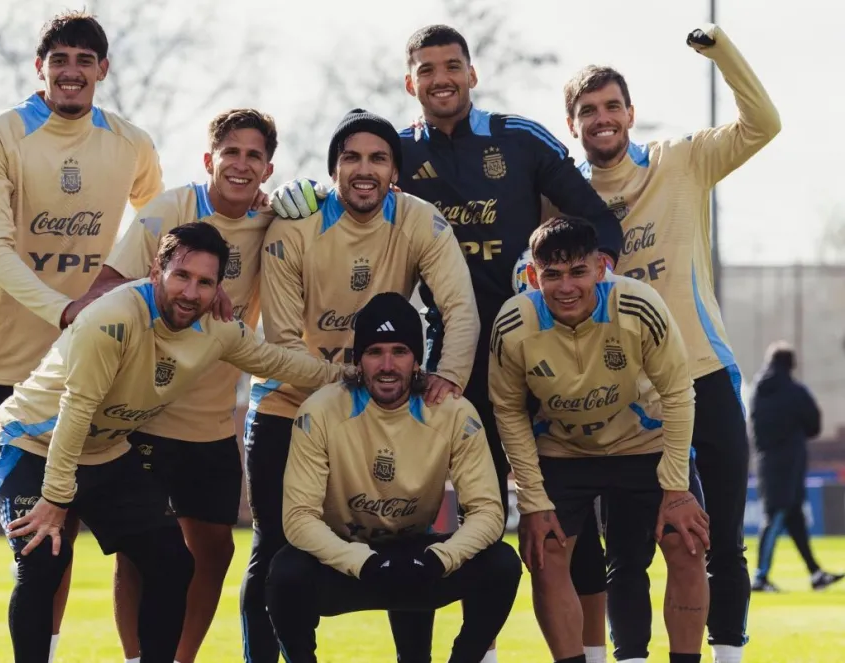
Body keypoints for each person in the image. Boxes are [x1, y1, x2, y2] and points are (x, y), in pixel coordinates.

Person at [269, 27, 623, 662]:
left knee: (565, 523)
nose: (441, 78)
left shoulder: (520, 137)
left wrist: (584, 286)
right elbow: (349, 185)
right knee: (434, 525)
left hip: (536, 360)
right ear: (412, 83)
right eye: (427, 69)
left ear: (472, 73)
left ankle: (592, 656)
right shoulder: (395, 151)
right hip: (441, 365)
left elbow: (595, 220)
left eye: (452, 66)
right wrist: (299, 194)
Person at [0, 10, 165, 662]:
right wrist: (69, 311)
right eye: (60, 60)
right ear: (41, 68)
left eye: (86, 60)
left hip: (65, 374)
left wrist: (121, 290)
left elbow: (160, 224)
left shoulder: (132, 144)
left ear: (103, 70)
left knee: (58, 532)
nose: (72, 72)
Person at [0, 222, 348, 663]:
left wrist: (354, 377)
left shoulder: (218, 328)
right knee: (43, 558)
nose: (191, 293)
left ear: (218, 288)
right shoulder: (110, 319)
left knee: (173, 562)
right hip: (31, 442)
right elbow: (74, 413)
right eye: (182, 276)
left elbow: (281, 363)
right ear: (157, 270)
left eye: (204, 282)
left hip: (104, 450)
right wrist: (56, 499)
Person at [557, 24, 781, 663]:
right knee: (629, 548)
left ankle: (727, 655)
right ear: (570, 124)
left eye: (610, 107)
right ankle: (631, 658)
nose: (601, 120)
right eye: (587, 111)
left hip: (706, 375)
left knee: (724, 539)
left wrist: (721, 51)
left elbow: (763, 124)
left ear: (630, 111)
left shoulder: (680, 159)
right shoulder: (562, 196)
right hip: (624, 394)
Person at [242, 108, 480, 663]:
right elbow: (280, 342)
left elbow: (460, 308)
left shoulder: (421, 220)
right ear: (334, 169)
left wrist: (448, 378)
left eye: (378, 158)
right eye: (351, 157)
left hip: (385, 403)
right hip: (290, 402)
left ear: (395, 171)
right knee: (274, 549)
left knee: (403, 540)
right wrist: (348, 381)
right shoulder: (294, 225)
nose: (364, 169)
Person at [82, 108, 279, 663]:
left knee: (214, 550)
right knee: (141, 554)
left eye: (253, 155)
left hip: (212, 421)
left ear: (267, 169)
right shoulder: (172, 208)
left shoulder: (275, 221)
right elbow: (108, 286)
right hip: (143, 415)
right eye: (231, 152)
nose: (240, 164)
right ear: (208, 159)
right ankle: (136, 658)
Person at [488, 216, 710, 663]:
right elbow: (508, 411)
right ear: (534, 276)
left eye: (578, 272)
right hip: (563, 451)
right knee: (545, 555)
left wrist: (676, 486)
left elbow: (678, 392)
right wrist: (533, 499)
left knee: (686, 543)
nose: (565, 286)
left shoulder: (639, 306)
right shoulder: (513, 324)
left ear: (600, 269)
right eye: (552, 275)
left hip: (642, 444)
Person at [266, 291, 521, 663]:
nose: (387, 365)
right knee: (285, 572)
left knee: (502, 564)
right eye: (375, 352)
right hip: (348, 561)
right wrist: (363, 562)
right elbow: (298, 518)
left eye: (399, 351)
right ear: (358, 360)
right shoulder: (320, 411)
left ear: (417, 359)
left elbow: (488, 513)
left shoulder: (452, 412)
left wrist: (440, 559)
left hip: (419, 559)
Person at [748, 341, 843, 593]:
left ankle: (815, 573)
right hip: (791, 464)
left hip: (766, 463)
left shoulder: (758, 391)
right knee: (775, 517)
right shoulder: (795, 391)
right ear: (791, 364)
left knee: (794, 520)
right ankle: (760, 576)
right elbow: (814, 424)